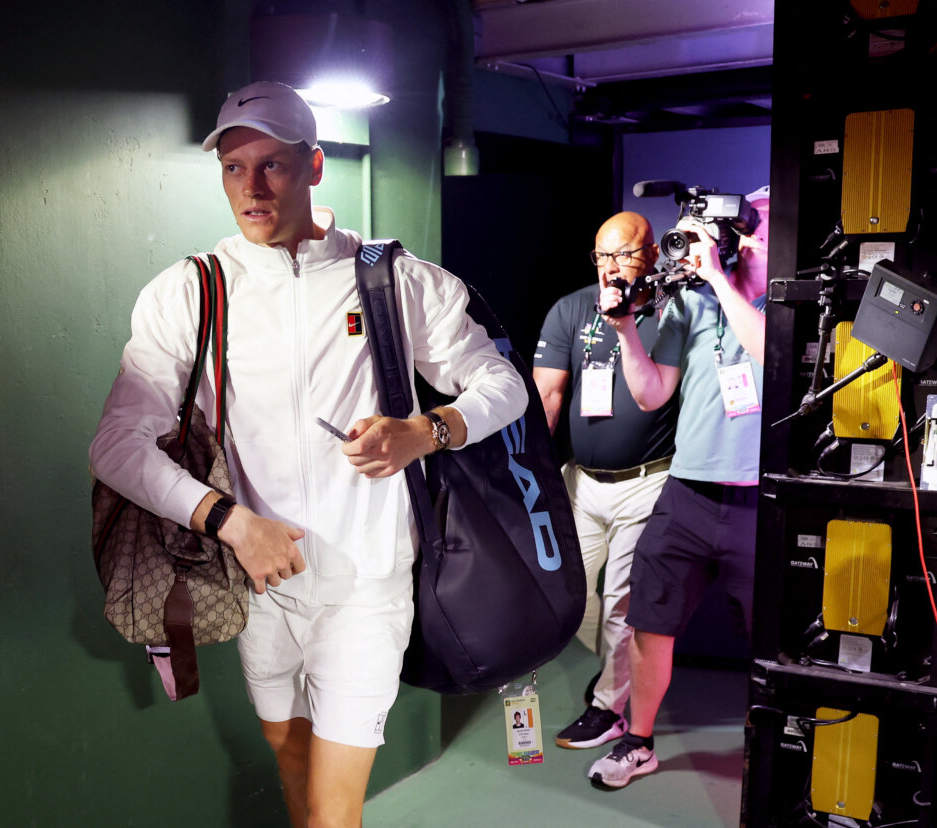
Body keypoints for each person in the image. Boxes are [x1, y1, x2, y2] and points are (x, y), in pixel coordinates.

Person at [88, 81, 528, 827]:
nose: (251, 188)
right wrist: (229, 521)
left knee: (333, 808)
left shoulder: (390, 279)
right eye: (233, 168)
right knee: (290, 763)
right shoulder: (191, 293)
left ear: (316, 165)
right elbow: (115, 445)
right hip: (260, 584)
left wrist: (429, 429)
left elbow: (503, 385)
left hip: (367, 587)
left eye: (273, 165)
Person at [586, 186, 771, 788]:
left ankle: (775, 747)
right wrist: (625, 333)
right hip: (688, 490)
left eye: (747, 232)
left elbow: (773, 353)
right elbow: (651, 393)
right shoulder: (687, 302)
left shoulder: (784, 295)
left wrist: (718, 280)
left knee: (771, 637)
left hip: (758, 497)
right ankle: (638, 742)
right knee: (650, 623)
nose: (736, 243)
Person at [532, 212, 678, 751]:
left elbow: (660, 395)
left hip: (647, 481)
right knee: (566, 590)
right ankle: (616, 674)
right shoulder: (571, 309)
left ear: (654, 255)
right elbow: (546, 397)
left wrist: (627, 323)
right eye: (602, 255)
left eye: (624, 254)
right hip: (580, 483)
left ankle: (608, 708)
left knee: (621, 600)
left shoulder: (673, 313)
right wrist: (531, 473)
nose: (610, 267)